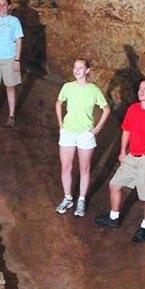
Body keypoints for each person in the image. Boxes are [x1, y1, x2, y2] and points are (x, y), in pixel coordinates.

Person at [95, 76, 145, 242]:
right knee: (114, 184)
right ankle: (114, 218)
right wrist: (123, 151)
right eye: (140, 89)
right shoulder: (133, 109)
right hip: (132, 155)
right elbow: (126, 130)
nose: (141, 91)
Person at [54, 57, 109, 217]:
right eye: (75, 67)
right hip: (68, 132)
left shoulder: (94, 90)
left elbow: (106, 109)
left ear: (87, 70)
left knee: (84, 168)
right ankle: (67, 198)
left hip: (85, 134)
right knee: (66, 167)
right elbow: (58, 103)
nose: (77, 70)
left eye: (80, 68)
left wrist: (97, 128)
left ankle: (82, 199)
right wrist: (60, 123)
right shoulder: (67, 87)